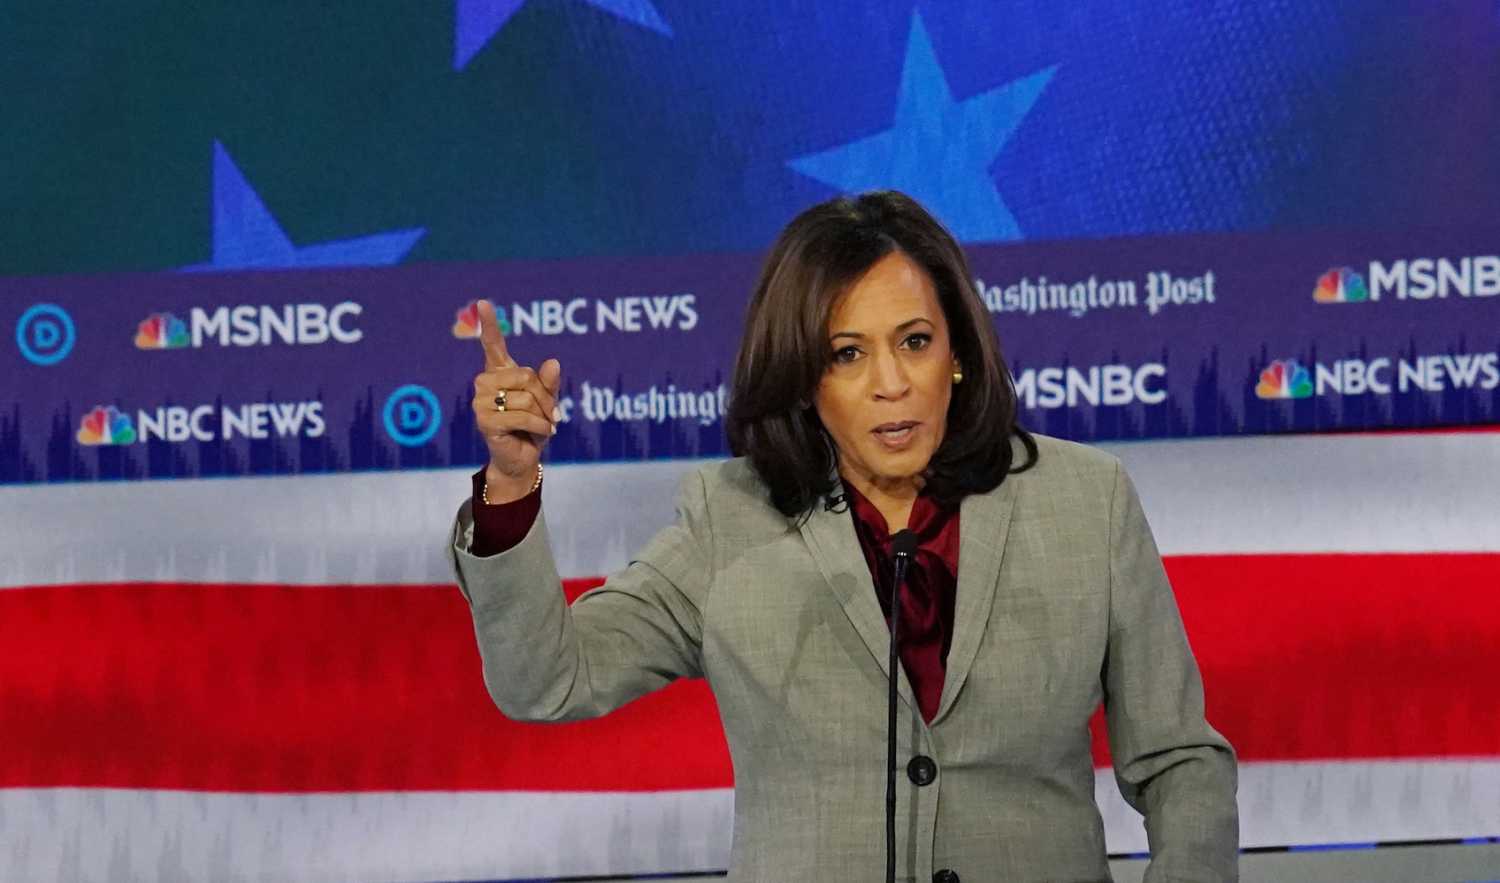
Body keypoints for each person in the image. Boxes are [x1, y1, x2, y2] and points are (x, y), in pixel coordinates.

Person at [448, 191, 1239, 882]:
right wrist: (512, 484)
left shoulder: (1083, 501)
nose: (891, 383)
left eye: (915, 341)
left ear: (956, 353)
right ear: (803, 378)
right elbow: (545, 681)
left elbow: (1180, 761)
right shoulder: (730, 518)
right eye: (848, 354)